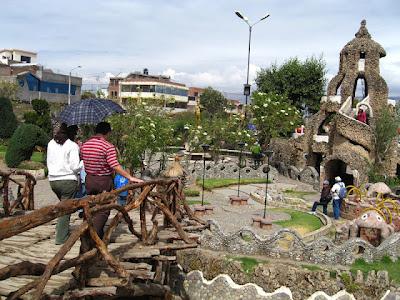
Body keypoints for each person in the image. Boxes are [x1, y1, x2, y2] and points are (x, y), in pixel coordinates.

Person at [80, 122, 143, 238]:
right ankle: (93, 235)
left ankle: (90, 230)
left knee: (92, 206)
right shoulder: (107, 146)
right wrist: (129, 177)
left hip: (89, 179)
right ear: (107, 132)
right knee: (104, 208)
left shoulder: (85, 145)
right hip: (103, 180)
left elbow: (83, 159)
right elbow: (114, 165)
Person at [47, 123, 81, 244]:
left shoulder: (51, 143)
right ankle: (61, 237)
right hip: (67, 180)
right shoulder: (72, 146)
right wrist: (83, 163)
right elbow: (75, 167)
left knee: (62, 205)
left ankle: (59, 229)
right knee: (66, 209)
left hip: (53, 180)